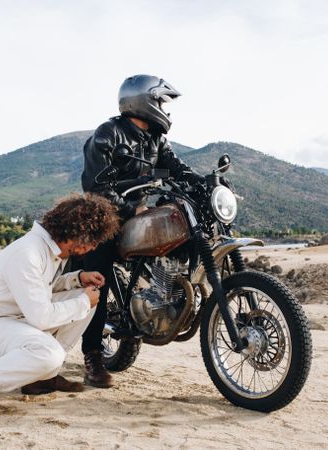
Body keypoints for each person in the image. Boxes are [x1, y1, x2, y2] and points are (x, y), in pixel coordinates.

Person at [0, 193, 121, 424]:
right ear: (77, 235)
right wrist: (82, 302)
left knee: (88, 295)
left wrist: (78, 279)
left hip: (15, 320)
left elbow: (41, 288)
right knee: (50, 350)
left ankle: (41, 377)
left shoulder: (48, 250)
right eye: (93, 241)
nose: (93, 247)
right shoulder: (28, 252)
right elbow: (41, 316)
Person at [79, 74, 205, 388]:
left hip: (139, 213)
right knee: (100, 275)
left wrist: (205, 184)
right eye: (161, 101)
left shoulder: (157, 139)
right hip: (106, 215)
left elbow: (176, 168)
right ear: (143, 101)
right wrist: (128, 207)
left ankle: (167, 298)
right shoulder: (108, 133)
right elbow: (95, 187)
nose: (165, 108)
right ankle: (93, 354)